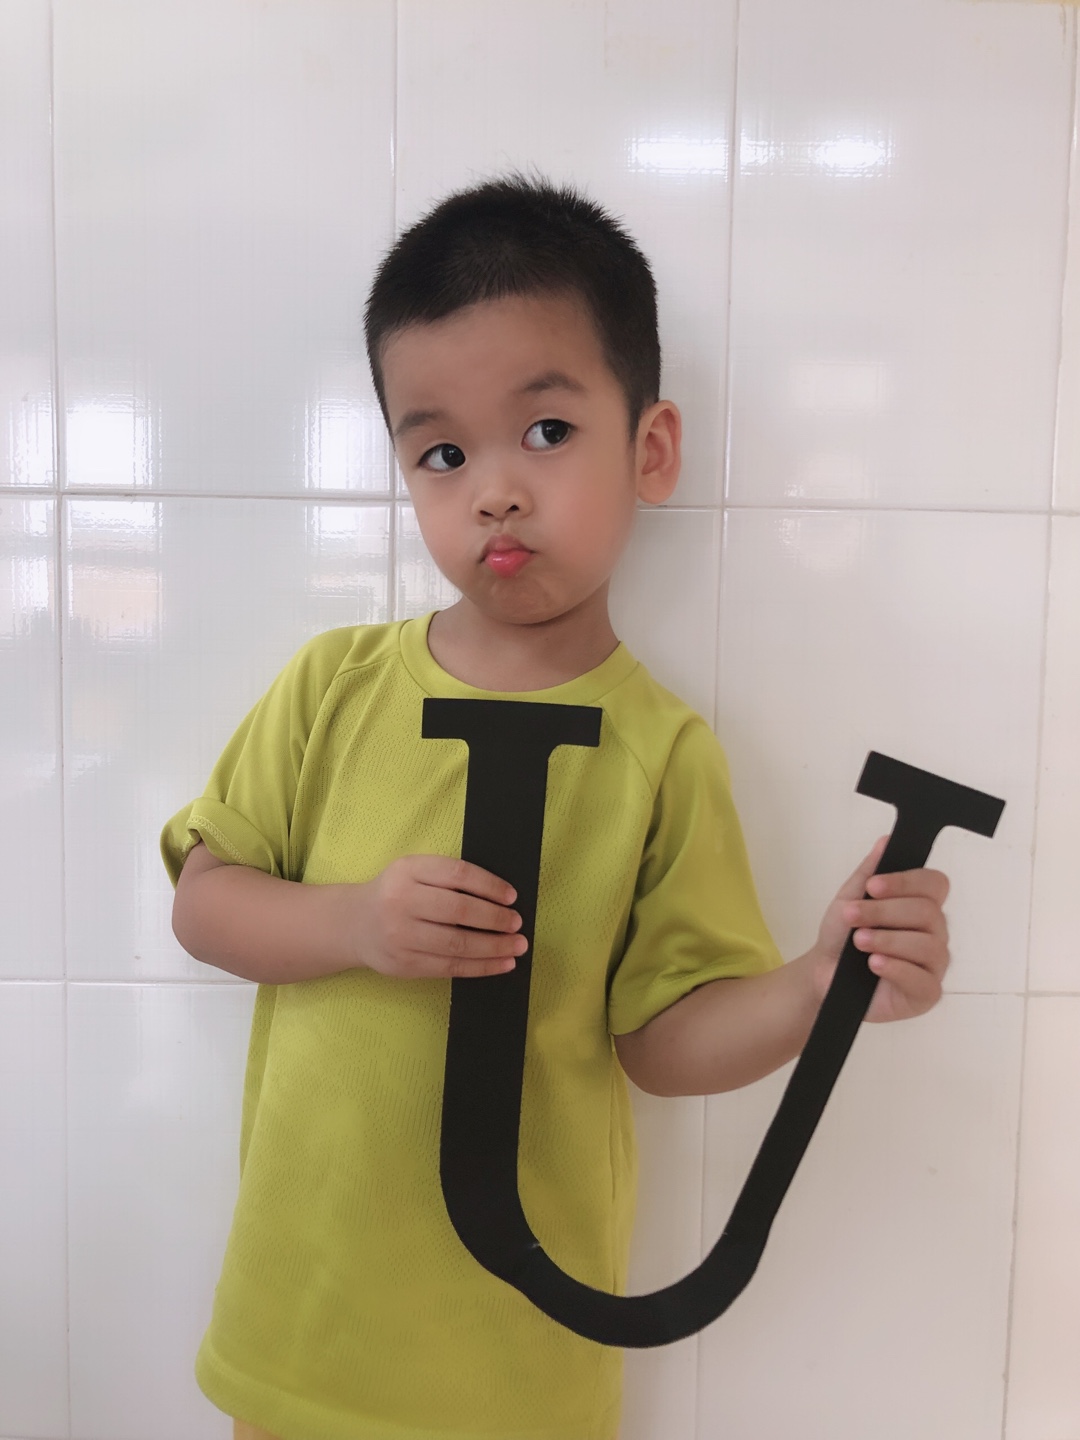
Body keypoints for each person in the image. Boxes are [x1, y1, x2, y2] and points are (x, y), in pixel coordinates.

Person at [161, 176, 950, 1440]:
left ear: (650, 450)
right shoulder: (332, 686)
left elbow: (663, 1040)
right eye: (442, 454)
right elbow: (206, 907)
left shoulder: (661, 752)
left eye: (545, 431)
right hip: (304, 1330)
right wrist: (356, 923)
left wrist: (818, 984)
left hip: (522, 1359)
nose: (494, 492)